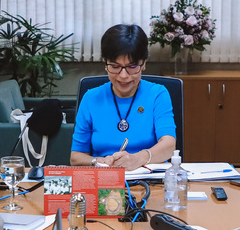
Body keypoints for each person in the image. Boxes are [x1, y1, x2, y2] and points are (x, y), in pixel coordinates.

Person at [70, 24, 176, 170]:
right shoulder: (91, 98)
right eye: (115, 67)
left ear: (144, 64)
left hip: (149, 177)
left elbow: (169, 145)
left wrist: (137, 159)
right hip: (105, 178)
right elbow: (76, 157)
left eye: (132, 67)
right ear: (105, 65)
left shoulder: (158, 94)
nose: (123, 76)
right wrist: (98, 161)